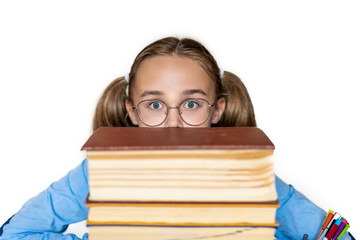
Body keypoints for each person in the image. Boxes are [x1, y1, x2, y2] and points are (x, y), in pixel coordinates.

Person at [0, 37, 354, 240]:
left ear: (217, 110)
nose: (173, 121)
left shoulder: (252, 179)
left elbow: (334, 237)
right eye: (155, 104)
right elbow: (15, 234)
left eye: (191, 103)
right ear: (132, 111)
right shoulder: (98, 173)